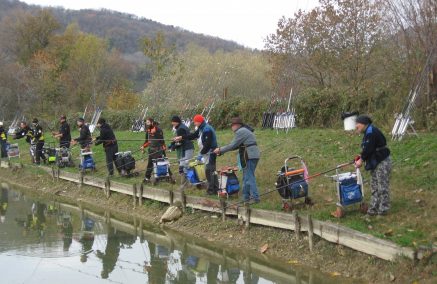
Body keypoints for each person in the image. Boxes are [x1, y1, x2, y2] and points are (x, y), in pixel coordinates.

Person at [214, 117, 261, 203]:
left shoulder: (240, 132)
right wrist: (221, 152)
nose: (231, 127)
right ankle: (246, 198)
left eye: (232, 125)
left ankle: (255, 198)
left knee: (249, 177)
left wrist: (220, 149)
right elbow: (235, 146)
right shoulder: (243, 131)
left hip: (249, 155)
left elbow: (232, 145)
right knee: (246, 177)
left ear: (236, 125)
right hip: (251, 155)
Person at [354, 115, 392, 216]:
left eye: (357, 124)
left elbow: (369, 148)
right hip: (375, 161)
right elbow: (367, 148)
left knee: (382, 186)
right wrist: (360, 156)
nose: (356, 126)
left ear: (363, 123)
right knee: (374, 187)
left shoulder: (371, 132)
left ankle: (383, 210)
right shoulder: (368, 132)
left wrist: (361, 160)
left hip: (382, 162)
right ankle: (373, 210)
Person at [174, 114, 219, 195]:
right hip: (206, 152)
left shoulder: (207, 129)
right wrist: (181, 137)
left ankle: (211, 190)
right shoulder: (201, 128)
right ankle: (215, 188)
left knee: (209, 170)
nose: (194, 124)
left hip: (210, 152)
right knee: (211, 171)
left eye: (195, 122)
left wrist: (201, 154)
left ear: (199, 121)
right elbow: (193, 135)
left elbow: (208, 144)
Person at [141, 118, 169, 183]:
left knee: (161, 163)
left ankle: (166, 177)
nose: (146, 124)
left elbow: (161, 140)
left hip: (159, 150)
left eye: (148, 122)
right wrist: (143, 146)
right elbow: (147, 141)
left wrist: (164, 147)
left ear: (152, 122)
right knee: (150, 164)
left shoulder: (158, 130)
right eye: (146, 122)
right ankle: (147, 178)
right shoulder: (148, 130)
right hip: (151, 150)